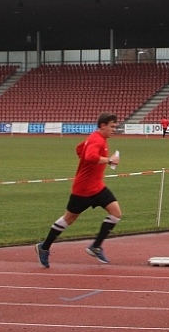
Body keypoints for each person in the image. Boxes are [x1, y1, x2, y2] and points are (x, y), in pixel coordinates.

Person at [36, 112, 121, 268]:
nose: (114, 129)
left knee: (116, 213)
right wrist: (109, 160)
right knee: (68, 219)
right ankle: (44, 247)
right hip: (83, 189)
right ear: (103, 126)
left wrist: (88, 165)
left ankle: (95, 246)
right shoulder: (97, 139)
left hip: (97, 186)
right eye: (112, 126)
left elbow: (79, 149)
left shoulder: (96, 138)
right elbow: (89, 156)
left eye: (115, 127)